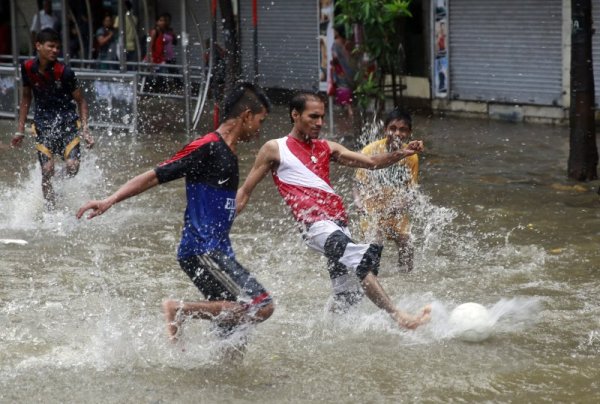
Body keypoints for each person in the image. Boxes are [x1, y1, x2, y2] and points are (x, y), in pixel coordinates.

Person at [76, 82, 275, 344]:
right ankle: (179, 309)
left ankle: (222, 377)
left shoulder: (229, 153)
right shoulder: (207, 146)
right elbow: (155, 175)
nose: (260, 129)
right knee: (262, 305)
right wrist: (110, 199)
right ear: (246, 116)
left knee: (234, 328)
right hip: (203, 251)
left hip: (216, 250)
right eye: (260, 121)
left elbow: (220, 206)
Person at [236, 91, 431, 330]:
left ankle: (326, 330)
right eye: (313, 116)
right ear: (295, 115)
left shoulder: (327, 147)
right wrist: (224, 220)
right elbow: (245, 190)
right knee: (361, 259)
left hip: (339, 225)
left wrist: (403, 152)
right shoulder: (275, 148)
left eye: (322, 117)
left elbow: (370, 162)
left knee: (347, 295)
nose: (319, 123)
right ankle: (399, 315)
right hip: (315, 227)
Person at [12, 28, 94, 210]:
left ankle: (59, 185)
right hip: (43, 125)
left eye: (58, 47)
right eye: (51, 46)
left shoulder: (65, 72)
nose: (55, 51)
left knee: (73, 167)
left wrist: (85, 129)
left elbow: (81, 101)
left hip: (68, 125)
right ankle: (51, 212)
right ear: (38, 46)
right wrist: (20, 129)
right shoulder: (27, 68)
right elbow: (26, 97)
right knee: (47, 170)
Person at [354, 109, 419, 272]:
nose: (397, 133)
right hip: (372, 209)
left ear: (409, 132)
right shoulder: (371, 151)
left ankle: (405, 280)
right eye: (393, 128)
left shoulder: (411, 156)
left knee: (407, 243)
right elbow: (358, 183)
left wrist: (401, 205)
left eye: (403, 129)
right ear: (385, 130)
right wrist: (359, 202)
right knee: (375, 243)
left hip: (395, 209)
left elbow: (410, 189)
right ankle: (370, 277)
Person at [330, 26, 356, 119]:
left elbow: (335, 57)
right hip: (351, 70)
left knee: (343, 87)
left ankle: (349, 110)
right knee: (349, 88)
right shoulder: (349, 43)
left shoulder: (336, 43)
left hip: (341, 70)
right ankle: (349, 109)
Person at [113, 0, 139, 64]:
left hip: (122, 46)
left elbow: (115, 29)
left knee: (121, 65)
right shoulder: (135, 19)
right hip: (132, 46)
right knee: (130, 66)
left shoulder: (119, 18)